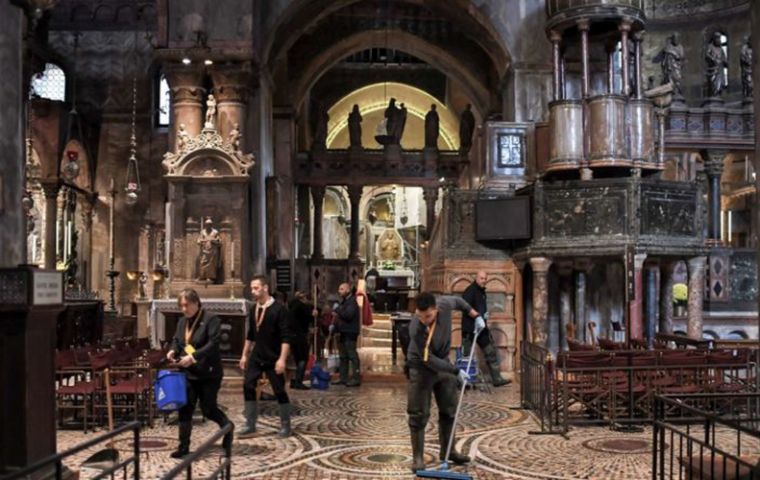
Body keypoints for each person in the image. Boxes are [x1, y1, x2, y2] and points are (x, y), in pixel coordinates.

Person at [406, 292, 484, 473]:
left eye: (428, 316)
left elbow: (459, 302)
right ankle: (418, 457)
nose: (424, 320)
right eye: (420, 315)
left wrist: (476, 316)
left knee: (449, 410)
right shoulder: (416, 327)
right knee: (418, 414)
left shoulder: (444, 304)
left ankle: (449, 451)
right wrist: (456, 371)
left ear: (436, 310)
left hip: (443, 363)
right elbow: (428, 360)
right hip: (421, 367)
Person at [166, 288, 232, 458]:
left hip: (208, 373)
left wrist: (193, 357)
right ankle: (183, 447)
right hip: (188, 373)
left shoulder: (211, 319)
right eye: (180, 305)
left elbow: (213, 344)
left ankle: (228, 427)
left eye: (186, 305)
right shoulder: (182, 322)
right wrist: (172, 351)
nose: (183, 309)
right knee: (185, 408)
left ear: (196, 303)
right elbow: (177, 341)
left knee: (208, 409)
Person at [238, 275, 293, 438]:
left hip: (273, 356)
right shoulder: (254, 308)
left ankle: (285, 424)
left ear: (265, 288)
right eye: (252, 288)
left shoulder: (279, 309)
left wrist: (282, 359)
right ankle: (250, 423)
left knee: (278, 390)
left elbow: (286, 337)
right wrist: (244, 355)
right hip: (257, 355)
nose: (253, 291)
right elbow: (250, 335)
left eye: (256, 288)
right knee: (248, 385)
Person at [461, 271, 510, 387]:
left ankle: (496, 378)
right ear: (476, 278)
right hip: (470, 329)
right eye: (482, 278)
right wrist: (477, 317)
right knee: (466, 357)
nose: (484, 280)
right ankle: (464, 381)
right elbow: (465, 307)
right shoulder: (470, 291)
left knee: (490, 352)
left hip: (481, 328)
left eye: (485, 279)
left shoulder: (482, 291)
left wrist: (484, 315)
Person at [334, 282, 361, 386]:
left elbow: (348, 315)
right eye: (339, 289)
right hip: (343, 331)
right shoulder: (345, 301)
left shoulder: (352, 302)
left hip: (350, 331)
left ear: (348, 290)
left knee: (352, 355)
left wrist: (337, 309)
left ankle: (356, 378)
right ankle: (343, 377)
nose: (339, 291)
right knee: (343, 356)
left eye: (341, 289)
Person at [288, 291, 314, 389]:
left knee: (296, 359)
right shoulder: (302, 307)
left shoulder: (291, 306)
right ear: (303, 299)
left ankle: (294, 380)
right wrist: (313, 315)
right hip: (300, 335)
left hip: (291, 335)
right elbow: (308, 318)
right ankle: (298, 381)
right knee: (303, 358)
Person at [705, 31, 728, 97]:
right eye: (717, 38)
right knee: (713, 84)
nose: (719, 40)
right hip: (713, 69)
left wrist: (725, 62)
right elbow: (707, 55)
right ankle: (714, 94)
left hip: (720, 70)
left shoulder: (721, 49)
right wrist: (713, 60)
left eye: (719, 38)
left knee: (719, 84)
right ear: (714, 39)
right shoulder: (710, 47)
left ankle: (718, 94)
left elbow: (724, 59)